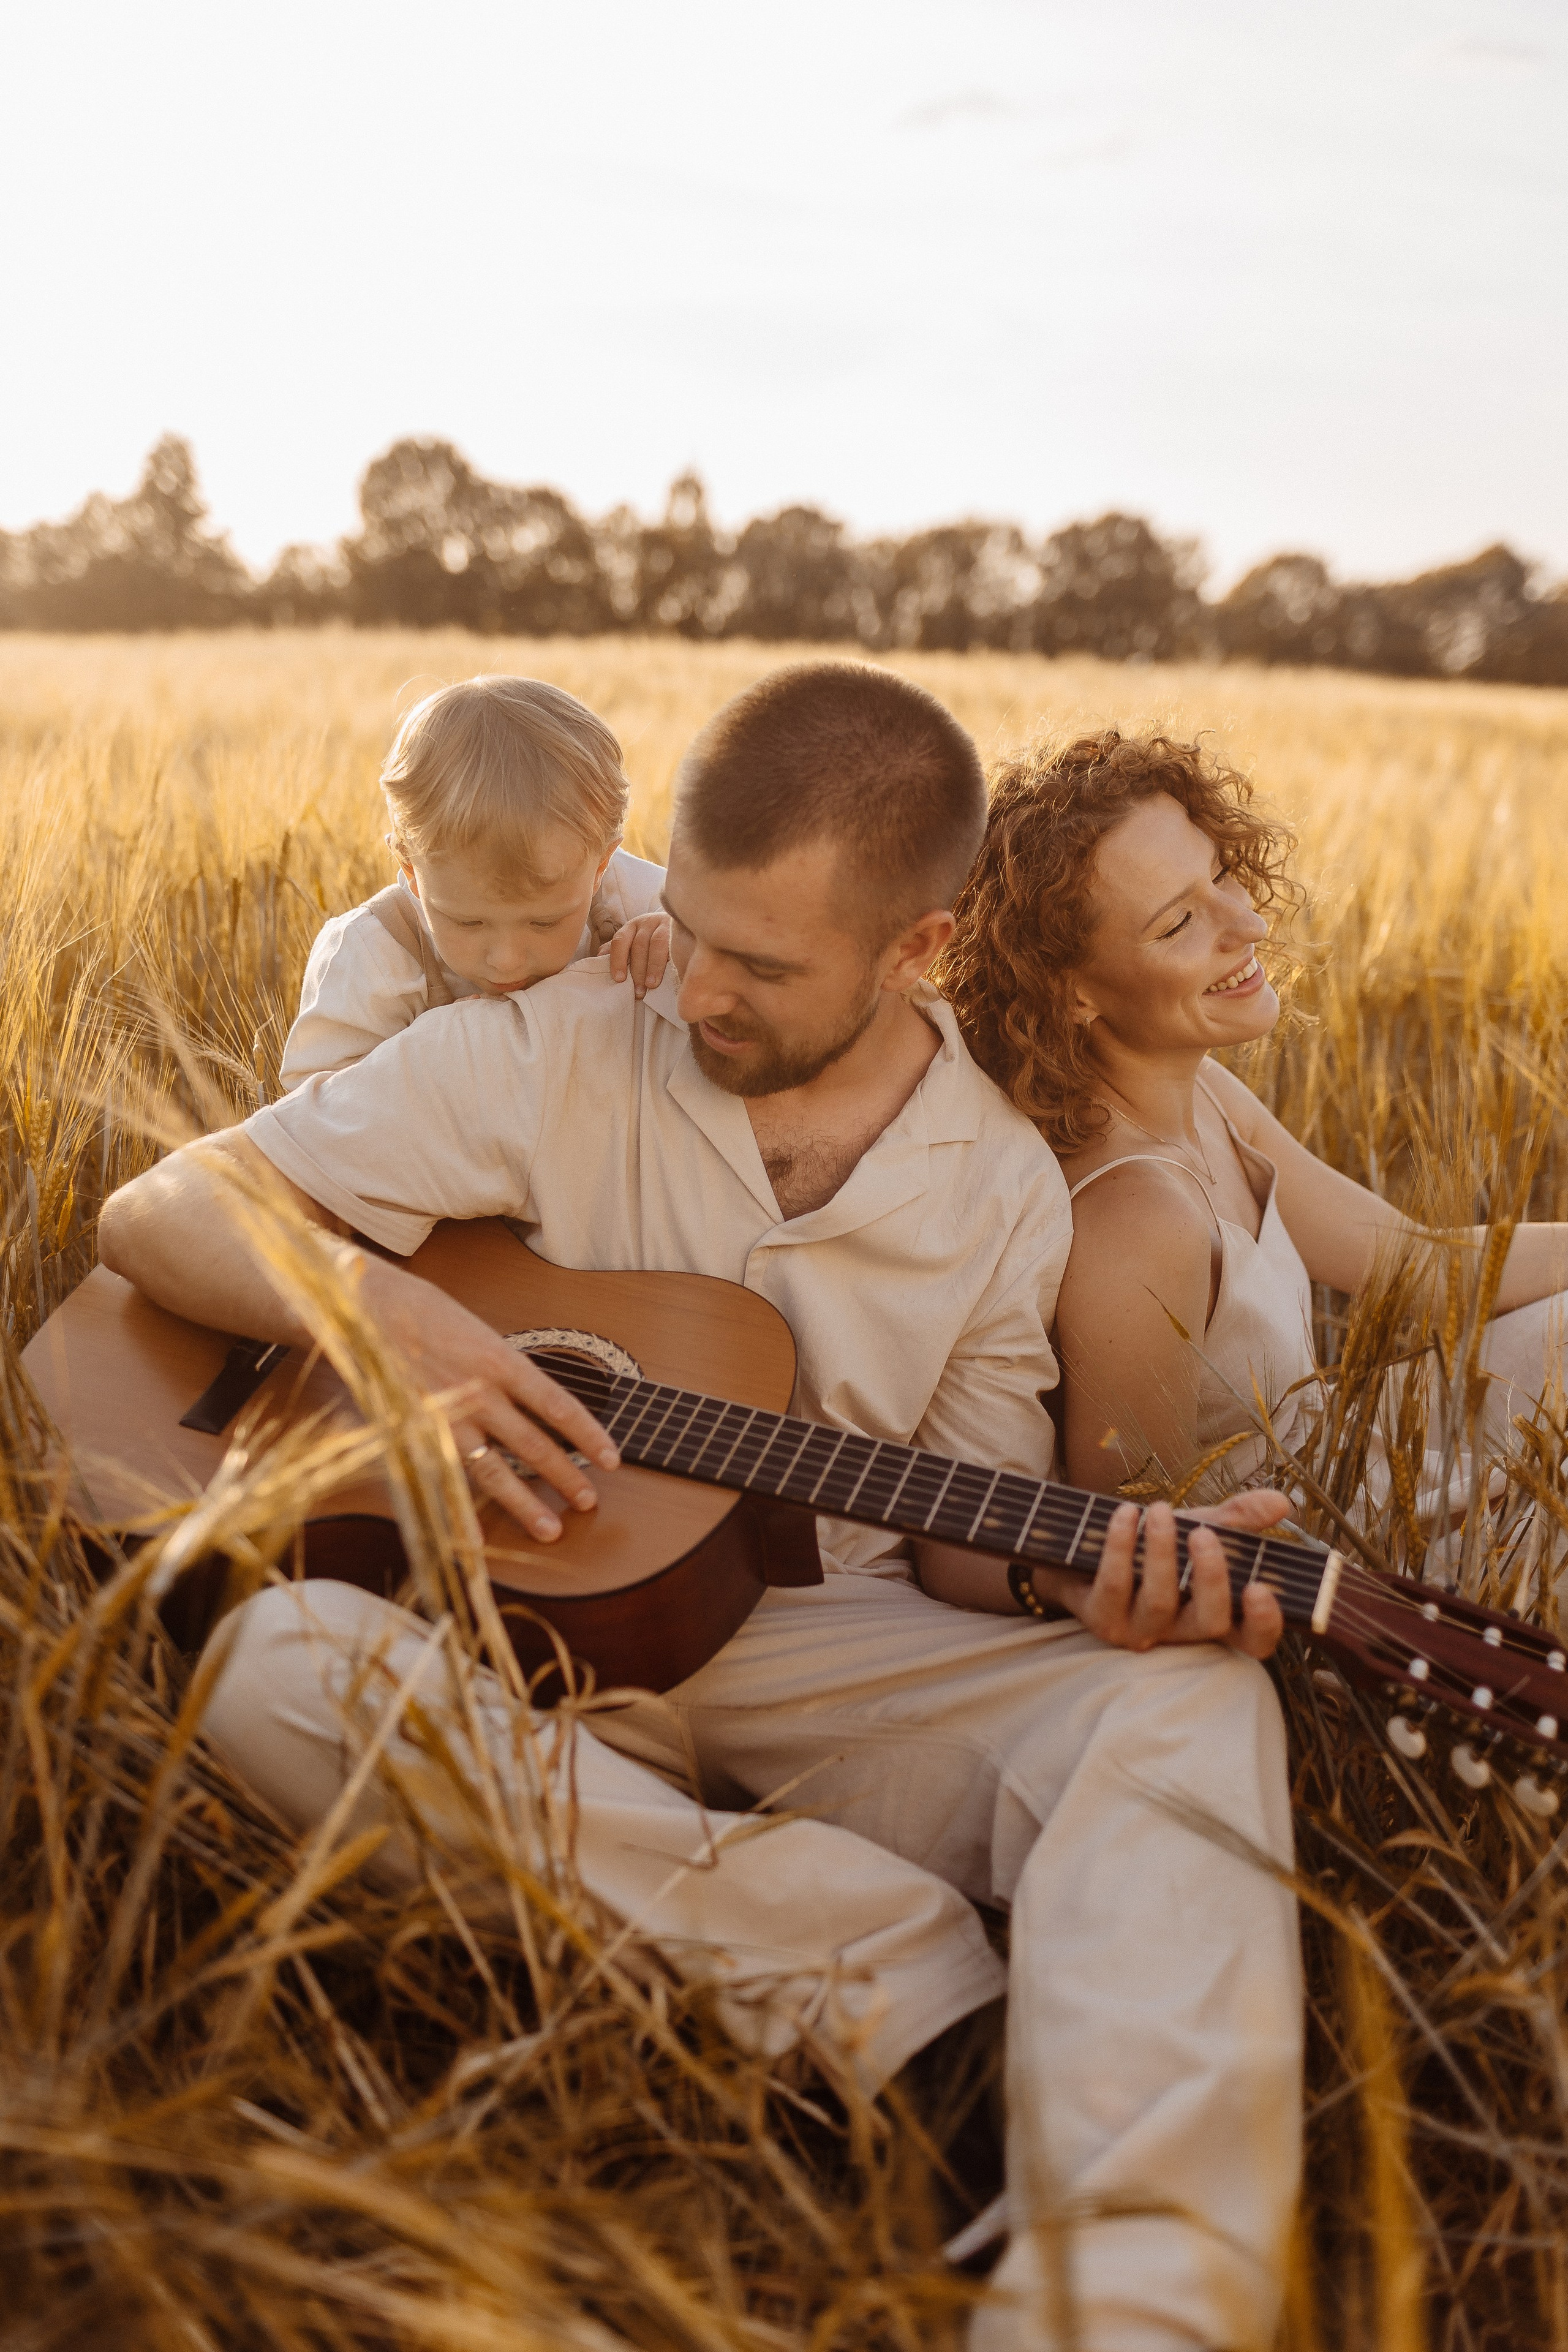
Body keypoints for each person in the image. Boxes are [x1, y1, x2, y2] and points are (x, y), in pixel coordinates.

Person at [100, 663, 1302, 2352]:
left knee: (1189, 1703)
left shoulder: (1000, 1189)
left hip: (823, 1644)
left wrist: (1071, 1588)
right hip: (511, 1630)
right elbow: (161, 1211)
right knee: (269, 1662)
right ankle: (892, 1975)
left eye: (763, 966)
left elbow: (968, 1536)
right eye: (692, 925)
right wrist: (382, 1316)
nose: (692, 986)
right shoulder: (550, 1043)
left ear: (919, 952)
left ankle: (1132, 2302)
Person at [940, 728, 1568, 1532]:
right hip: (1329, 1570)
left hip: (1366, 1463)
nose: (1249, 925)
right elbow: (1147, 1542)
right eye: (1178, 925)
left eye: (1224, 874)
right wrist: (1452, 1523)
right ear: (1071, 995)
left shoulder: (1209, 1098)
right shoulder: (1136, 1219)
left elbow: (1419, 1263)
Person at [280, 674, 671, 1090]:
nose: (506, 960)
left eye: (544, 923)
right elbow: (312, 1113)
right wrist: (441, 1051)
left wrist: (681, 941)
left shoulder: (638, 902)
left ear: (600, 868)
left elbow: (734, 947)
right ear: (411, 869)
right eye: (468, 923)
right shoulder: (376, 956)